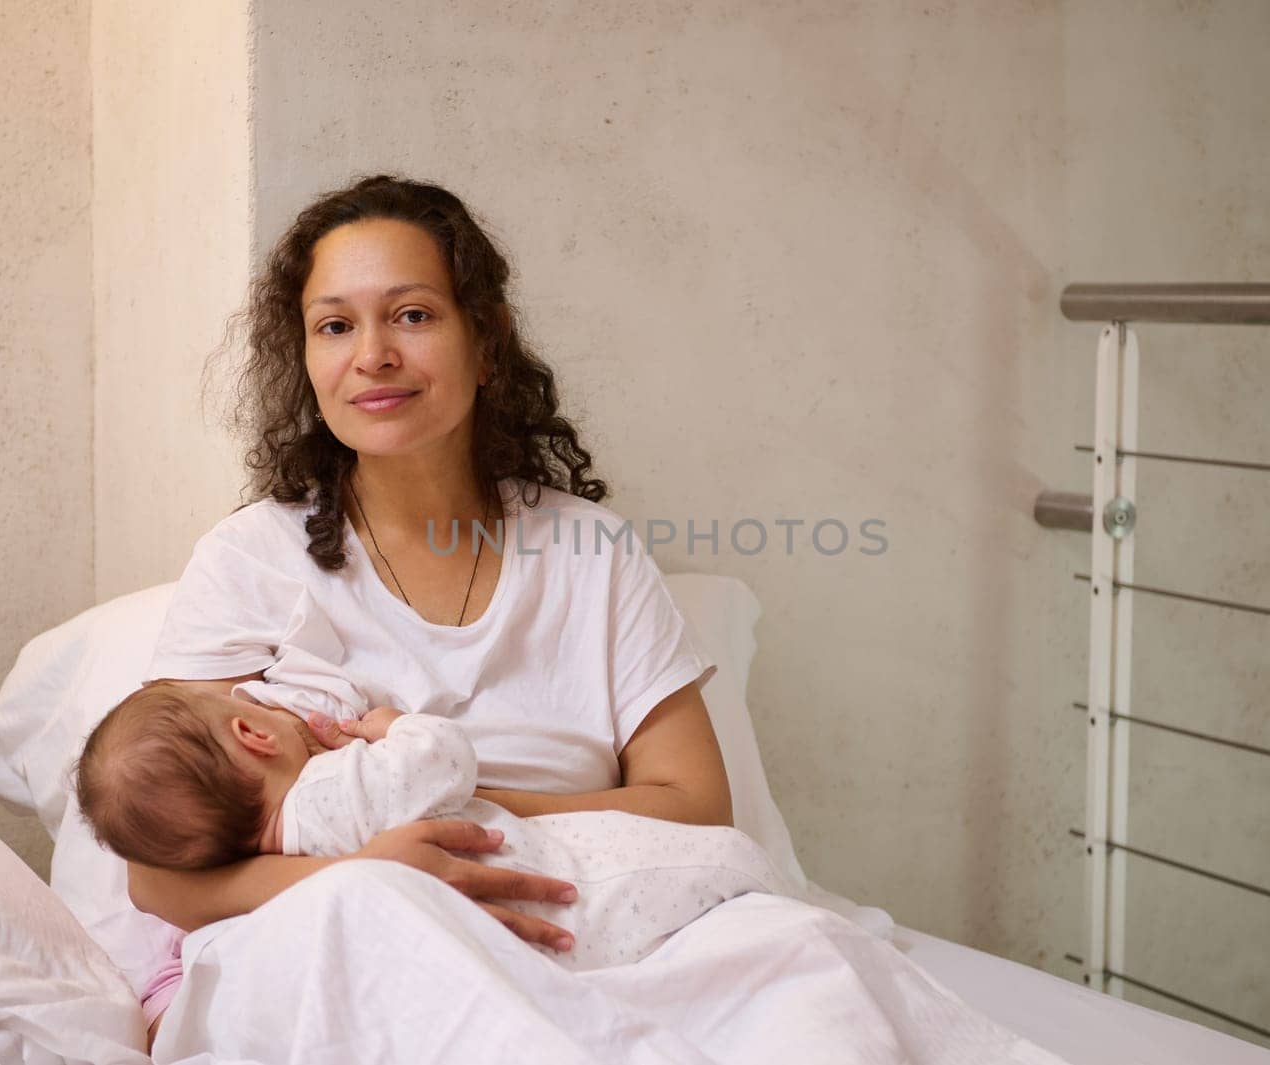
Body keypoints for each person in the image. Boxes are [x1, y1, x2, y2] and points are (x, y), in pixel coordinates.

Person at [128, 173, 734, 1042]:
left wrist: (451, 806)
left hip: (596, 930)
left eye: (412, 315)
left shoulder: (590, 550)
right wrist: (378, 871)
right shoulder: (249, 558)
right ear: (307, 362)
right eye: (335, 326)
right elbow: (157, 881)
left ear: (486, 344)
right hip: (348, 942)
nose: (372, 354)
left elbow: (695, 806)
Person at [79, 680, 793, 972]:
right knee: (693, 870)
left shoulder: (269, 858)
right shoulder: (330, 788)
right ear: (252, 732)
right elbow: (442, 757)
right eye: (258, 700)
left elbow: (160, 861)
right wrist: (390, 729)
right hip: (557, 880)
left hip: (494, 939)